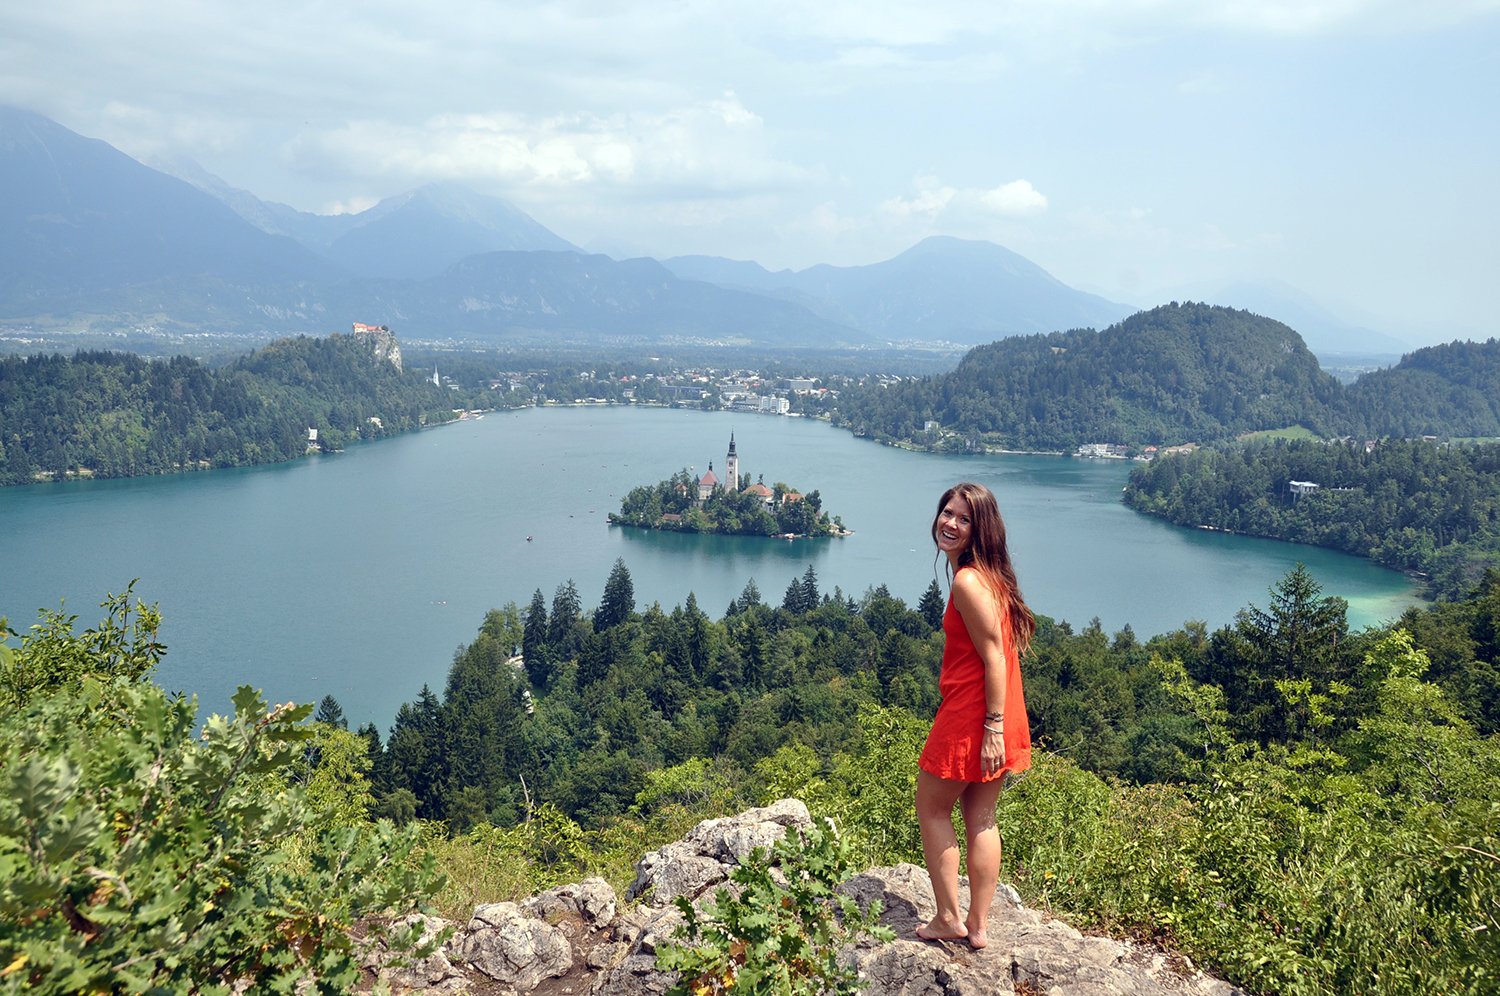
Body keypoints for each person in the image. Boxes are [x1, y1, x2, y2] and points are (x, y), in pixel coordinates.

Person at [914, 481, 1035, 949]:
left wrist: (991, 729)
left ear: (979, 528)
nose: (951, 523)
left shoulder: (967, 581)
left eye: (964, 519)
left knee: (931, 806)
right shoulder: (991, 576)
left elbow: (995, 659)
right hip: (999, 711)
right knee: (981, 817)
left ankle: (948, 917)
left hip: (974, 714)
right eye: (948, 512)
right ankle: (979, 927)